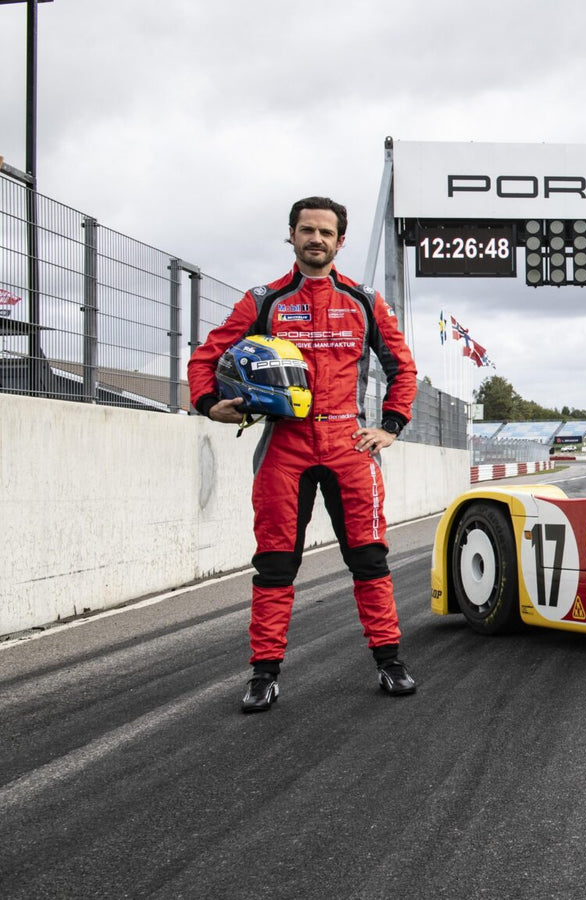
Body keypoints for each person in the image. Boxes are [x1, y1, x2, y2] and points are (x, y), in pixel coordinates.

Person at [188, 196, 419, 713]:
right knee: (274, 564)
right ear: (290, 235)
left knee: (369, 558)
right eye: (307, 230)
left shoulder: (365, 300)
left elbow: (403, 368)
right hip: (283, 444)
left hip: (349, 444)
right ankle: (263, 673)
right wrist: (208, 404)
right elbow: (207, 354)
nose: (316, 239)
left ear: (341, 242)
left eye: (326, 232)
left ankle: (389, 660)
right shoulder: (263, 301)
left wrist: (391, 426)